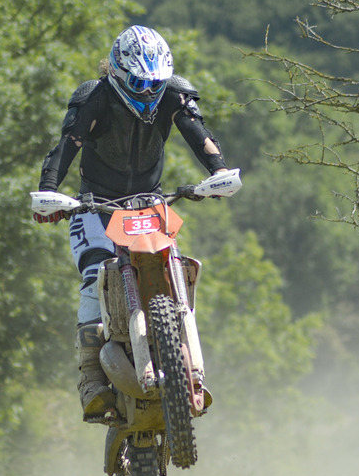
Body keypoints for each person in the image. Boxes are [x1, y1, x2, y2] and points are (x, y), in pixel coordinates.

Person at [35, 25, 232, 418]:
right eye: (139, 83)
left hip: (150, 203)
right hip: (96, 204)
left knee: (176, 263)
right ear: (120, 74)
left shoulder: (173, 91)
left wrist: (218, 171)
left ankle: (187, 368)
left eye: (153, 84)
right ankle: (91, 379)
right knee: (94, 276)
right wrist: (49, 193)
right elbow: (66, 146)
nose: (147, 92)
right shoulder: (95, 97)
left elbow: (198, 134)